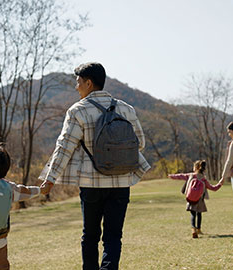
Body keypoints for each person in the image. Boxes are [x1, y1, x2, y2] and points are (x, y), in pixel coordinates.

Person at [38, 62, 150, 270]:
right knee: (113, 236)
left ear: (88, 83)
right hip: (121, 182)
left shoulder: (77, 111)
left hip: (92, 183)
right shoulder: (126, 109)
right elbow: (140, 143)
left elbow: (64, 148)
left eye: (78, 82)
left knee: (90, 236)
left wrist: (50, 179)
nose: (76, 86)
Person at [168, 160, 223, 238]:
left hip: (191, 199)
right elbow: (213, 188)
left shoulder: (191, 175)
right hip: (200, 200)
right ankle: (199, 229)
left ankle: (193, 228)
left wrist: (171, 176)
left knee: (193, 215)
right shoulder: (203, 179)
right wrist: (220, 184)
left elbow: (180, 176)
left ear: (195, 167)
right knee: (199, 214)